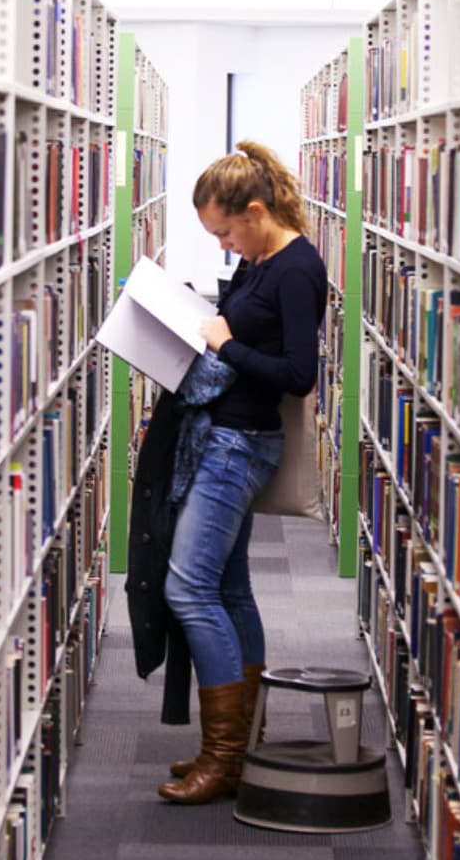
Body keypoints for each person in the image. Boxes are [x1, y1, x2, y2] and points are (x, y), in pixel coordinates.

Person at [157, 141, 326, 804]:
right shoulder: (260, 261)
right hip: (221, 435)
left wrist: (224, 343)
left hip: (239, 444)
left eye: (227, 230)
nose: (226, 244)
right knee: (229, 589)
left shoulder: (295, 269)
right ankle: (235, 745)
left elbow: (298, 373)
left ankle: (224, 759)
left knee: (188, 587)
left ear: (256, 210)